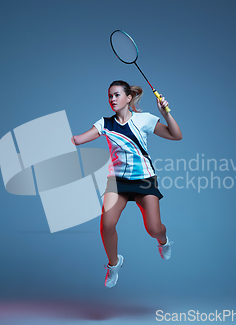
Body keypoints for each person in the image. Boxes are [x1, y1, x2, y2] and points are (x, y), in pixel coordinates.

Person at [71, 80, 182, 288]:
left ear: (128, 98)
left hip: (144, 180)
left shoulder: (144, 120)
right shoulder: (105, 124)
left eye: (117, 95)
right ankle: (114, 264)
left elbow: (177, 135)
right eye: (110, 96)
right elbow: (78, 140)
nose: (112, 99)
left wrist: (166, 112)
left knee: (153, 228)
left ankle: (164, 241)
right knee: (107, 225)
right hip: (117, 182)